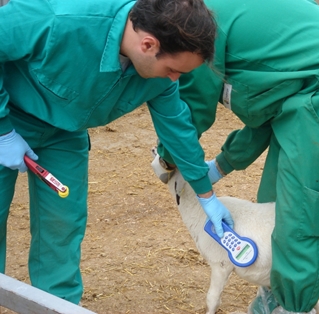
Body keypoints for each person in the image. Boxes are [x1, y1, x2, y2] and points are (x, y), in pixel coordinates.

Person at [0, 0, 235, 305]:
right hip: (9, 115)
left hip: (65, 132)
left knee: (63, 227)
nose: (174, 79)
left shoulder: (159, 78)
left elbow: (177, 129)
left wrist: (205, 195)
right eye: (174, 69)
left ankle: (58, 307)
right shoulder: (60, 18)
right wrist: (3, 129)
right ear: (148, 44)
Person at [153, 0, 319, 313]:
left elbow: (190, 112)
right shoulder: (201, 24)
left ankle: (293, 307)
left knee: (303, 215)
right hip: (299, 100)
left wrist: (168, 158)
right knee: (272, 206)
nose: (170, 77)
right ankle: (272, 299)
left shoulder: (190, 28)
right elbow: (267, 109)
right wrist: (222, 163)